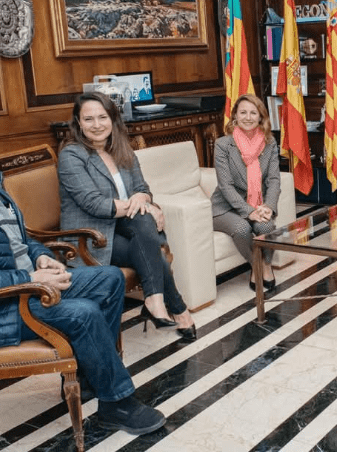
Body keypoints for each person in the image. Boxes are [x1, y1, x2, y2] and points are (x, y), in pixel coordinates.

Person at [0, 108, 166, 435]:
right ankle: (117, 403)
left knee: (110, 278)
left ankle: (89, 379)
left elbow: (19, 238)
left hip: (17, 291)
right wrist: (30, 279)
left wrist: (41, 257)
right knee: (82, 313)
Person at [58, 93, 196, 341]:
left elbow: (142, 189)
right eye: (88, 119)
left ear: (113, 119)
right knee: (152, 247)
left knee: (143, 223)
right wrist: (146, 207)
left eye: (103, 117)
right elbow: (95, 204)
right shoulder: (72, 155)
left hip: (128, 230)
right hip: (92, 237)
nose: (97, 124)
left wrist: (144, 200)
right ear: (78, 123)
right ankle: (176, 308)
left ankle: (155, 301)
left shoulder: (122, 150)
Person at [210, 93, 281, 291]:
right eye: (243, 112)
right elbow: (225, 186)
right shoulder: (223, 145)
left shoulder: (269, 143)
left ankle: (266, 264)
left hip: (258, 203)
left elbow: (274, 180)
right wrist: (249, 211)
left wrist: (269, 206)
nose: (248, 117)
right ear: (235, 116)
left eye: (253, 113)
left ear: (261, 117)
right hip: (225, 208)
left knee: (267, 227)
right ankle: (256, 264)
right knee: (242, 228)